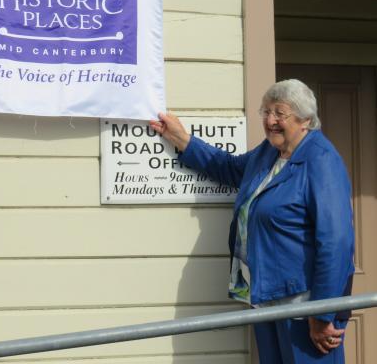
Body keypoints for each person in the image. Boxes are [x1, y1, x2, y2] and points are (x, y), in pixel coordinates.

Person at [150, 79, 354, 363]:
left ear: (305, 120)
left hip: (303, 305)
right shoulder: (269, 153)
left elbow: (337, 243)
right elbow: (230, 168)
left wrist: (323, 313)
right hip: (265, 294)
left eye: (280, 114)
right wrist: (183, 139)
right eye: (266, 112)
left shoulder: (321, 161)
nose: (270, 121)